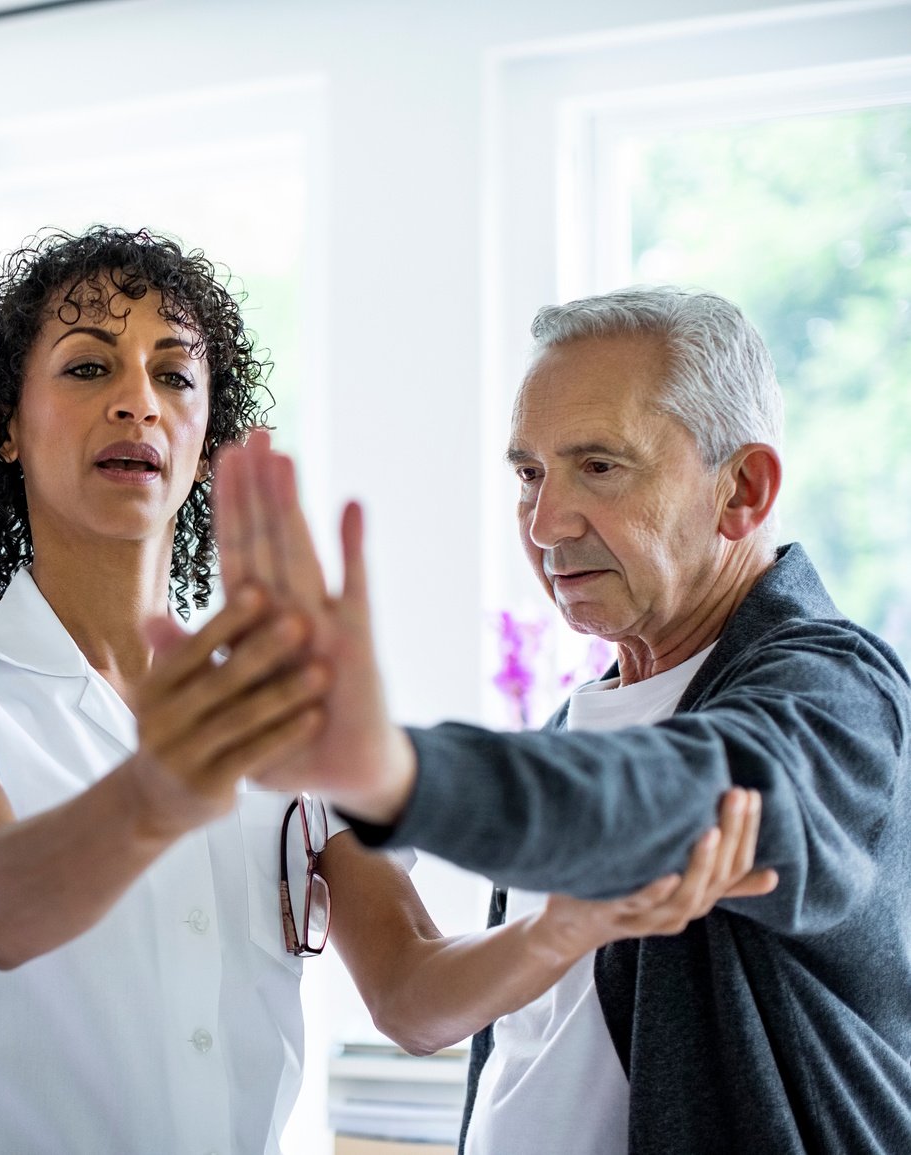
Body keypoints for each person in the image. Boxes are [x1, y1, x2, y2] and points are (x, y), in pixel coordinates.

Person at [0, 232, 765, 1154]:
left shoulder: (282, 704)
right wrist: (159, 794)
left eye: (174, 377)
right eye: (89, 368)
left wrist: (570, 925)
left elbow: (412, 995)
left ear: (208, 437)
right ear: (6, 422)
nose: (137, 402)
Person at [215, 285, 911, 1153]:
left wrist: (396, 772)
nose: (545, 523)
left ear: (743, 489)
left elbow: (679, 792)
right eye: (529, 474)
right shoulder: (572, 724)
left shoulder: (834, 692)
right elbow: (467, 1024)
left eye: (601, 466)